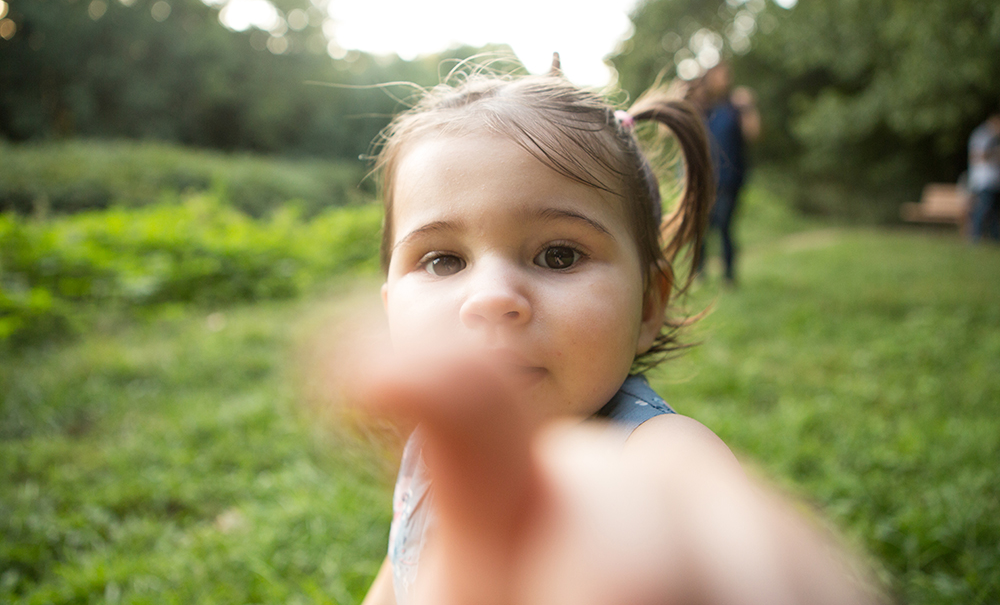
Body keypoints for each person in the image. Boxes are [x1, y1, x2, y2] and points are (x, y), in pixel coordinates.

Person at [345, 59, 882, 605]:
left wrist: (706, 551)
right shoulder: (437, 446)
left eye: (558, 255)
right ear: (390, 308)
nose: (492, 298)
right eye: (443, 261)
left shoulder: (652, 453)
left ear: (649, 305)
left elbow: (700, 514)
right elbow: (400, 568)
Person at [691, 62, 760, 284]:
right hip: (702, 179)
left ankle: (729, 275)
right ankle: (700, 272)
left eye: (727, 75)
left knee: (724, 224)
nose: (725, 79)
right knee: (700, 227)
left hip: (730, 180)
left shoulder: (735, 105)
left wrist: (749, 107)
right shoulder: (700, 107)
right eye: (720, 75)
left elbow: (753, 134)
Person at [967, 109, 1000, 242]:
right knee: (984, 208)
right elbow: (975, 155)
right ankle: (975, 236)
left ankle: (995, 237)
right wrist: (994, 152)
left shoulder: (994, 138)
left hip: (994, 181)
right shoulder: (982, 135)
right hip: (983, 180)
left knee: (994, 210)